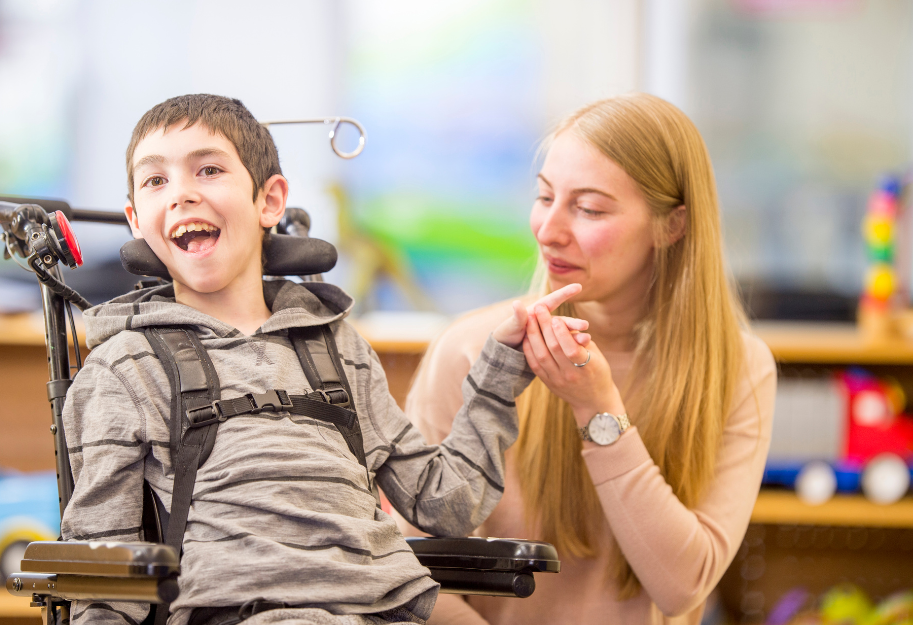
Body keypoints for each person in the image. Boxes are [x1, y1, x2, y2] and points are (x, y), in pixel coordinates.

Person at [58, 94, 585, 625]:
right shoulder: (123, 370)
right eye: (155, 181)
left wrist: (498, 375)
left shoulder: (338, 349)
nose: (182, 194)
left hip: (384, 608)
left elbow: (444, 503)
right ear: (136, 220)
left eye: (209, 169)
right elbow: (104, 579)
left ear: (270, 201)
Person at [401, 93, 777, 625]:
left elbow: (682, 586)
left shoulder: (739, 369)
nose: (548, 230)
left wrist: (599, 410)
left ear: (673, 226)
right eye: (545, 197)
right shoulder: (470, 349)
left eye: (589, 208)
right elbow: (405, 568)